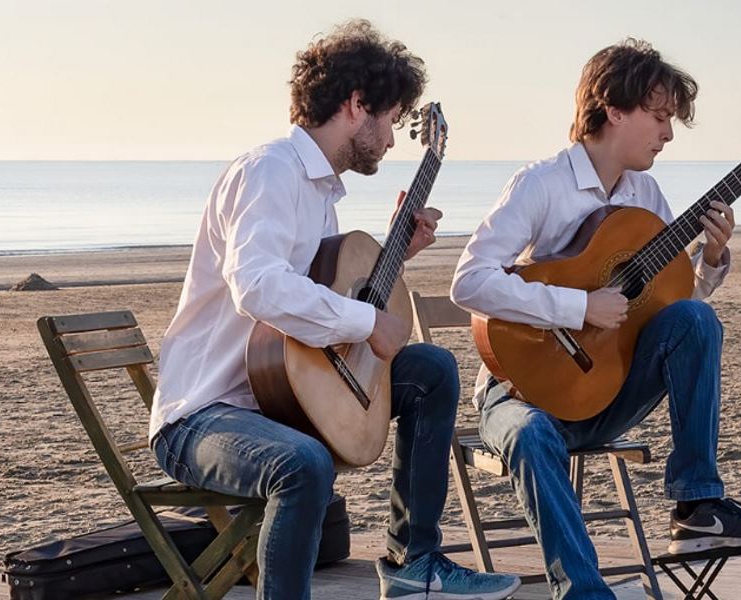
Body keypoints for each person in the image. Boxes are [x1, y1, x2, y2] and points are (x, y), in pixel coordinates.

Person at [146, 19, 520, 600]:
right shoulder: (269, 172)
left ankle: (412, 559)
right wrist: (370, 322)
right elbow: (260, 287)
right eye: (392, 120)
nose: (394, 140)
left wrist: (400, 251)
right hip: (204, 414)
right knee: (303, 466)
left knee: (432, 371)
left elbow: (317, 307)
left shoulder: (319, 193)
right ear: (356, 105)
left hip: (280, 399)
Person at [449, 39, 741, 600]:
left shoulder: (645, 195)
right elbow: (470, 281)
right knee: (533, 436)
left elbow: (676, 303)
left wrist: (711, 257)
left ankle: (698, 506)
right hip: (521, 395)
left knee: (696, 324)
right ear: (614, 110)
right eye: (659, 117)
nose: (668, 133)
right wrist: (579, 307)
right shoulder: (541, 184)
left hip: (603, 394)